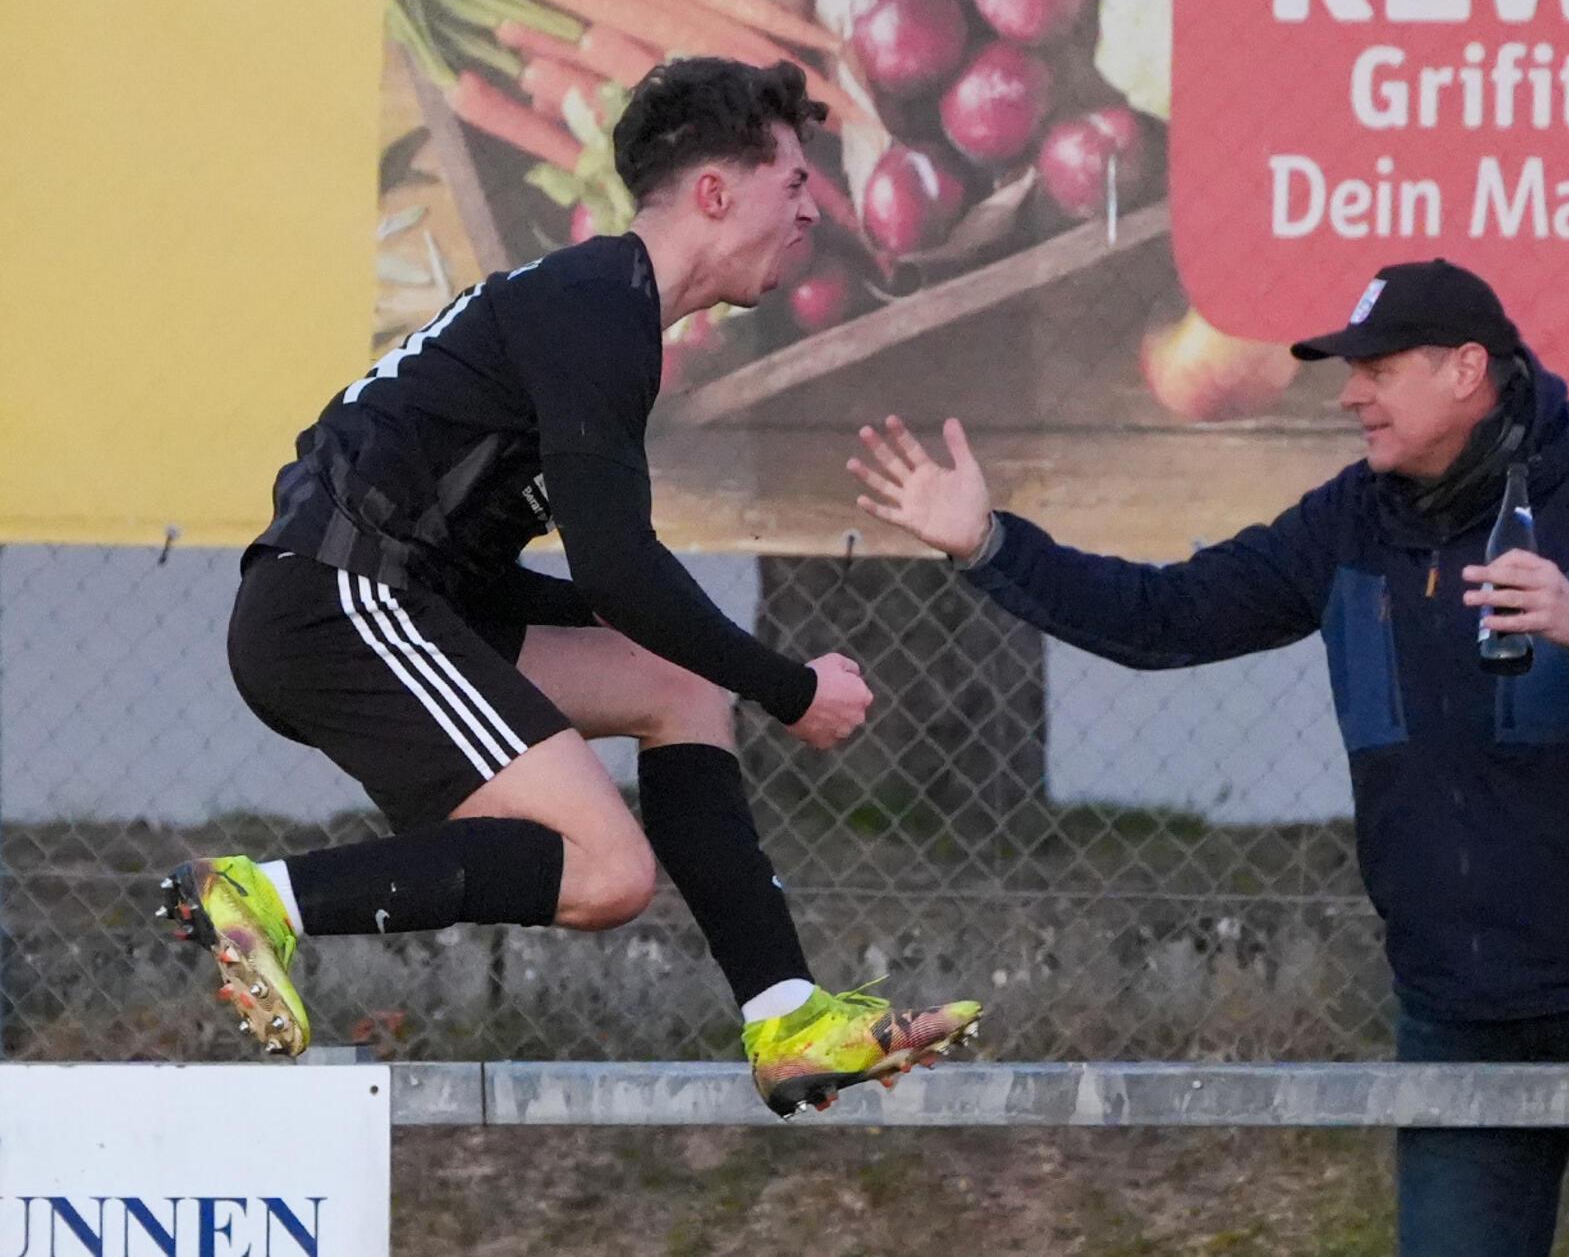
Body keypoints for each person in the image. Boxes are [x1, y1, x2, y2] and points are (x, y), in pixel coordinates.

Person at [850, 259, 1569, 1254]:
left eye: (1377, 369)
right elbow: (1161, 617)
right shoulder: (1346, 522)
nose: (1349, 394)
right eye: (1349, 371)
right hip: (1453, 1011)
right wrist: (987, 544)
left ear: (1465, 370)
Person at [162, 57, 978, 1117]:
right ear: (715, 193)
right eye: (792, 183)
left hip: (387, 599)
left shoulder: (604, 307)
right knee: (606, 872)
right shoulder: (596, 307)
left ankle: (788, 1021)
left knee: (677, 686)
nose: (812, 209)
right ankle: (256, 897)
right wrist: (792, 689)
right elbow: (618, 566)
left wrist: (651, 635)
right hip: (336, 606)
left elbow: (544, 570)